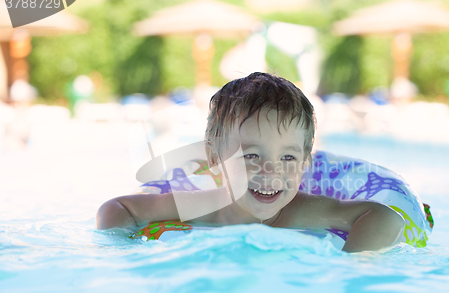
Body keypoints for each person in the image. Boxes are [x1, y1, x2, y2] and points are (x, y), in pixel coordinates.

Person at [96, 72, 404, 252]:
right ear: (215, 158)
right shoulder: (205, 208)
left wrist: (353, 270)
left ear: (305, 162)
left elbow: (385, 217)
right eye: (251, 155)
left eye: (287, 157)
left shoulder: (302, 212)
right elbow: (116, 209)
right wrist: (126, 252)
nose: (271, 171)